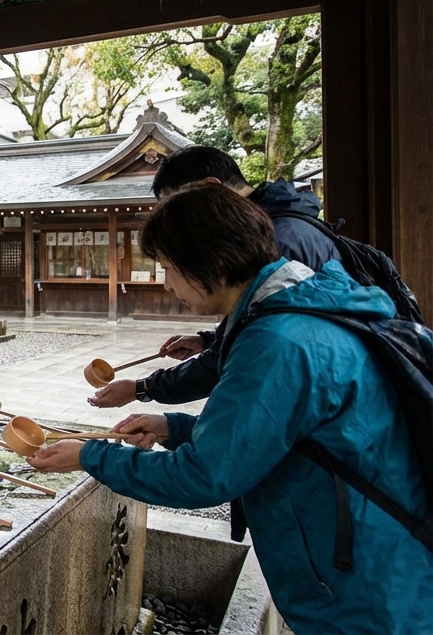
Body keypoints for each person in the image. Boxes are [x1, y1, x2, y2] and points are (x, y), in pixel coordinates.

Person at [28, 184, 433, 634]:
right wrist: (173, 426)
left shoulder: (279, 341)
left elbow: (204, 476)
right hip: (376, 556)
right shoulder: (298, 309)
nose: (167, 283)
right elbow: (281, 431)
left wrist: (89, 455)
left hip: (366, 585)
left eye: (169, 268)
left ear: (211, 263)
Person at [90, 145, 340, 408]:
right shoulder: (277, 227)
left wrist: (144, 388)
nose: (168, 285)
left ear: (211, 188)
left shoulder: (278, 240)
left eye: (180, 208)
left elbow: (243, 360)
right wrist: (209, 340)